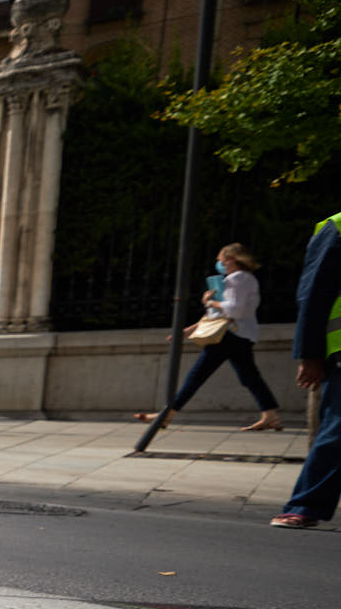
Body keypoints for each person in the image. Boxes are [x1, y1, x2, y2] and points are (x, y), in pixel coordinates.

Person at [134, 243, 280, 431]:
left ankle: (167, 414)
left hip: (230, 335)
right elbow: (219, 315)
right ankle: (271, 415)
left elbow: (235, 309)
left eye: (220, 260)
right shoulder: (239, 279)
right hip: (238, 335)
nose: (218, 264)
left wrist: (209, 301)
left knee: (197, 375)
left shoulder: (238, 278)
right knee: (249, 377)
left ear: (231, 260)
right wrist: (190, 329)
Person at [272, 211, 341, 528]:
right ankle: (305, 504)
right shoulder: (337, 227)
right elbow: (313, 292)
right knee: (338, 430)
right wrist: (309, 355)